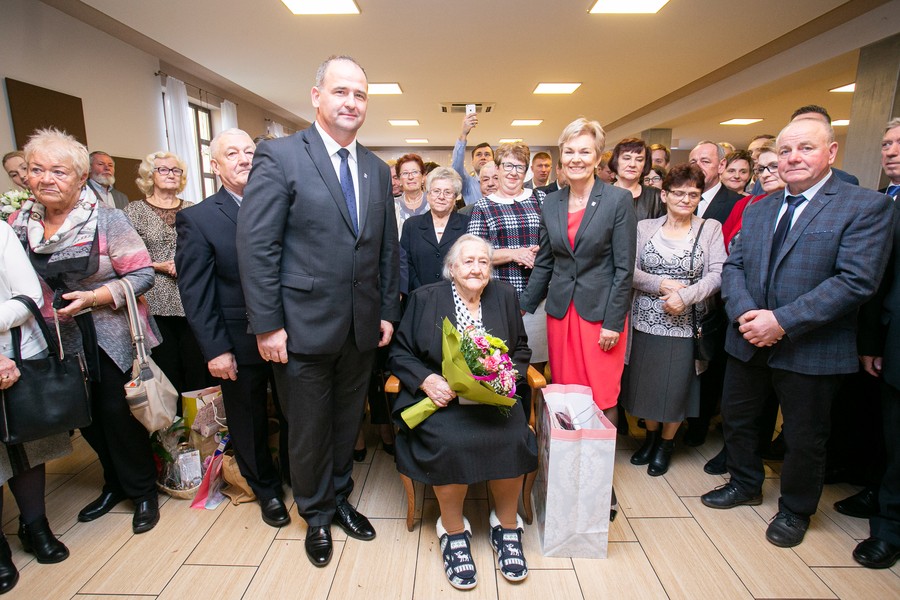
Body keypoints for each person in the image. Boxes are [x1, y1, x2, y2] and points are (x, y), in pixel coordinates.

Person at [236, 55, 400, 568]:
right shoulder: (280, 156)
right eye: (341, 91)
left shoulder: (375, 167)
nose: (351, 102)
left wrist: (387, 311)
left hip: (360, 326)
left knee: (347, 421)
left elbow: (386, 249)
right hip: (299, 328)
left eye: (360, 94)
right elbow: (256, 246)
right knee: (307, 428)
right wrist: (268, 325)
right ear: (316, 97)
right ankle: (317, 514)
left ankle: (339, 495)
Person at [700, 117, 894, 548]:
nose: (793, 158)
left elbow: (855, 281)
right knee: (740, 418)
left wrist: (781, 321)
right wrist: (749, 314)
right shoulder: (761, 206)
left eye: (805, 148)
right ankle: (746, 483)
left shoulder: (863, 206)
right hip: (748, 338)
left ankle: (796, 508)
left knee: (805, 436)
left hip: (812, 346)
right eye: (785, 150)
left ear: (831, 152)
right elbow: (735, 266)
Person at [11, 128, 160, 535]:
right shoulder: (16, 225)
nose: (45, 178)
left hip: (111, 337)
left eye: (58, 171)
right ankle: (114, 483)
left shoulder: (108, 220)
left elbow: (143, 274)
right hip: (54, 341)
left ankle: (144, 490)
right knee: (84, 418)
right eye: (36, 169)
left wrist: (93, 298)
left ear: (80, 178)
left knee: (119, 416)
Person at [389, 235, 536, 590]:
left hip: (493, 400)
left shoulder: (504, 296)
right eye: (467, 262)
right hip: (443, 401)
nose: (476, 268)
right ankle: (453, 530)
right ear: (452, 268)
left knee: (513, 436)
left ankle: (506, 525)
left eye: (483, 262)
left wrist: (505, 377)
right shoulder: (426, 298)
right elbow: (399, 352)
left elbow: (520, 349)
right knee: (450, 441)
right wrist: (426, 380)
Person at [174, 129, 289, 529]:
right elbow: (196, 293)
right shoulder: (199, 218)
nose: (243, 158)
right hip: (237, 340)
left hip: (292, 334)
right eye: (232, 152)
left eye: (250, 151)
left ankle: (296, 475)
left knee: (295, 412)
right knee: (248, 417)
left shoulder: (284, 205)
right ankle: (266, 488)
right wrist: (215, 350)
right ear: (215, 164)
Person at [521, 117, 636, 426]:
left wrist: (614, 322)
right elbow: (546, 260)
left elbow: (625, 269)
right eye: (569, 151)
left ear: (598, 157)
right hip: (561, 313)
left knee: (602, 393)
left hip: (601, 316)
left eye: (585, 152)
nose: (576, 159)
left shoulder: (617, 200)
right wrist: (523, 305)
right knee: (564, 392)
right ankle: (567, 461)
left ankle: (596, 471)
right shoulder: (550, 202)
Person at [624, 164, 725, 476]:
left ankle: (667, 445)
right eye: (678, 193)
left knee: (676, 388)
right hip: (644, 323)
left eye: (693, 194)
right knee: (646, 386)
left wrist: (687, 296)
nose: (685, 199)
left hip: (685, 326)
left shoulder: (710, 228)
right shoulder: (644, 228)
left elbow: (719, 273)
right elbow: (630, 271)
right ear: (664, 195)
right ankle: (651, 438)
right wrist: (661, 285)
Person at [0, 221, 71, 593]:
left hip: (21, 353)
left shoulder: (0, 231)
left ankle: (35, 524)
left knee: (31, 442)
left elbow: (27, 296)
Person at [852, 118, 900, 569]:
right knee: (888, 432)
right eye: (886, 143)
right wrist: (871, 340)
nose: (890, 150)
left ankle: (889, 523)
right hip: (885, 336)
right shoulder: (882, 201)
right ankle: (882, 505)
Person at [125, 152, 208, 396]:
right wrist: (160, 265)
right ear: (149, 176)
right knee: (167, 367)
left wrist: (184, 263)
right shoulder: (134, 211)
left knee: (197, 367)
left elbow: (205, 249)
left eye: (176, 170)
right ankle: (171, 429)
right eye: (163, 169)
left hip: (191, 298)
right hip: (153, 301)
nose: (171, 174)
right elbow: (125, 256)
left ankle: (200, 426)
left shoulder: (193, 209)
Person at [467, 142, 548, 366]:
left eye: (520, 167)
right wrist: (515, 254)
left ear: (526, 170)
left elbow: (556, 241)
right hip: (499, 299)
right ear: (498, 168)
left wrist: (543, 249)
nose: (513, 172)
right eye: (508, 166)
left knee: (536, 367)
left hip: (539, 298)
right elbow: (475, 254)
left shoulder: (541, 199)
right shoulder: (483, 206)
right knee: (501, 366)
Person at [401, 167, 469, 293]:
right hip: (418, 297)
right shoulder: (411, 225)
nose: (441, 197)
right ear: (428, 195)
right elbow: (405, 263)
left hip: (458, 297)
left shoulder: (467, 224)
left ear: (455, 198)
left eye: (448, 192)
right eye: (436, 191)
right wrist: (422, 292)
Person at [610, 138, 665, 221]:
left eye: (639, 160)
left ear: (645, 165)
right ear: (616, 161)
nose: (632, 164)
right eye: (627, 158)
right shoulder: (601, 195)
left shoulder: (657, 197)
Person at [688, 141, 743, 224]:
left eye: (705, 161)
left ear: (721, 165)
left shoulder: (738, 203)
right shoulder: (678, 199)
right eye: (693, 162)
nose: (697, 166)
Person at [453, 114, 494, 206]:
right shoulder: (467, 183)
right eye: (478, 155)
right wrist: (463, 134)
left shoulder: (502, 182)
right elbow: (456, 166)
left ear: (493, 160)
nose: (483, 157)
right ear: (472, 161)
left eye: (487, 154)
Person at [394, 153, 430, 229]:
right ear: (399, 179)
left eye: (415, 172)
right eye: (405, 173)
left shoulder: (433, 201)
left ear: (423, 177)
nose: (410, 177)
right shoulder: (393, 205)